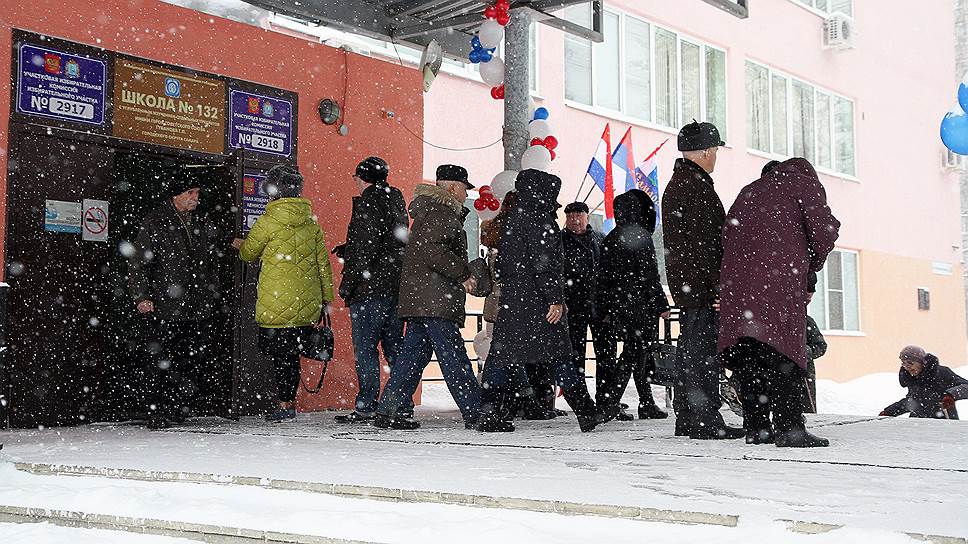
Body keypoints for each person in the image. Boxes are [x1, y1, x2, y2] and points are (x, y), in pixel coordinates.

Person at [478, 169, 616, 433]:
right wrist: (554, 299)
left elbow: (502, 265)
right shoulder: (541, 221)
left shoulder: (511, 219)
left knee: (501, 356)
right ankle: (586, 411)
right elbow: (546, 266)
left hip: (513, 301)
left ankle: (489, 412)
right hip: (538, 301)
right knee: (559, 354)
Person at [718, 158, 840, 448]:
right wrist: (810, 268)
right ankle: (789, 428)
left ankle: (757, 428)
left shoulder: (749, 190)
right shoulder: (803, 184)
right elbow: (824, 232)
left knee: (750, 353)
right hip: (778, 284)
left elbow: (727, 235)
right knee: (784, 353)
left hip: (738, 286)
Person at [371, 165, 482, 430]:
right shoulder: (441, 212)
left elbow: (425, 251)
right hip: (435, 299)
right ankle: (477, 413)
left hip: (421, 299)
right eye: (464, 188)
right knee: (454, 357)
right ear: (454, 186)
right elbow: (432, 251)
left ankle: (390, 410)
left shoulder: (429, 210)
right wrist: (462, 274)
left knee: (412, 358)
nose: (464, 193)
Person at [661, 120, 743, 440]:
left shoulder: (681, 183)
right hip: (700, 287)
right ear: (707, 151)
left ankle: (689, 416)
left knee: (690, 349)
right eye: (716, 150)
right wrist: (716, 287)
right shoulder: (696, 187)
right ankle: (704, 418)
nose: (716, 157)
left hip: (689, 284)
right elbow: (706, 245)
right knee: (702, 352)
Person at [236, 165, 335, 422]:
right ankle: (287, 402)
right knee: (290, 355)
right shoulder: (311, 222)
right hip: (306, 301)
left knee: (280, 355)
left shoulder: (268, 221)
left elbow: (248, 254)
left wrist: (241, 245)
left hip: (276, 298)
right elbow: (322, 262)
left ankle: (283, 404)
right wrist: (326, 298)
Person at [128, 171, 223, 430]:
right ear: (176, 195)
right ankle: (155, 410)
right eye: (190, 193)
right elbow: (140, 262)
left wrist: (211, 291)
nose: (195, 198)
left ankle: (176, 407)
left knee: (186, 359)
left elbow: (210, 261)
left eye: (197, 194)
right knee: (158, 361)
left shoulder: (200, 222)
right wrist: (141, 296)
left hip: (194, 304)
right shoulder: (155, 221)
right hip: (163, 303)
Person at [331, 157, 410, 424]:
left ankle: (367, 405)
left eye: (356, 177)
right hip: (394, 286)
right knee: (394, 346)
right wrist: (350, 248)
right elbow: (388, 242)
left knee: (365, 349)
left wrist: (348, 284)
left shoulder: (368, 201)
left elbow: (366, 247)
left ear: (362, 178)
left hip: (370, 288)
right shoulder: (395, 200)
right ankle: (401, 403)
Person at [597, 190, 671, 420]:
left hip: (620, 306)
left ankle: (645, 402)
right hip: (640, 306)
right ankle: (611, 402)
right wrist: (661, 304)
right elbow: (649, 276)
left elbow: (603, 278)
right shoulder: (640, 236)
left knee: (636, 353)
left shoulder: (611, 237)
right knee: (634, 354)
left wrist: (605, 308)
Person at [561, 202, 620, 416]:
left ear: (587, 217)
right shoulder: (559, 241)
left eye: (579, 215)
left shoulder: (600, 239)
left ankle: (606, 401)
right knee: (576, 356)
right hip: (572, 306)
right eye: (570, 216)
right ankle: (583, 404)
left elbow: (610, 271)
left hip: (600, 305)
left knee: (606, 355)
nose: (575, 220)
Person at [880, 346, 968, 419]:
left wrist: (950, 395)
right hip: (918, 425)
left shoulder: (942, 373)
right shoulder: (913, 378)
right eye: (904, 364)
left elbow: (965, 386)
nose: (907, 367)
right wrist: (889, 412)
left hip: (944, 424)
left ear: (921, 362)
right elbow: (911, 402)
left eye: (910, 363)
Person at [803, 271, 827, 413]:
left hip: (806, 376)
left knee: (807, 409)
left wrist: (808, 351)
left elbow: (821, 346)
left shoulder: (807, 321)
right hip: (782, 372)